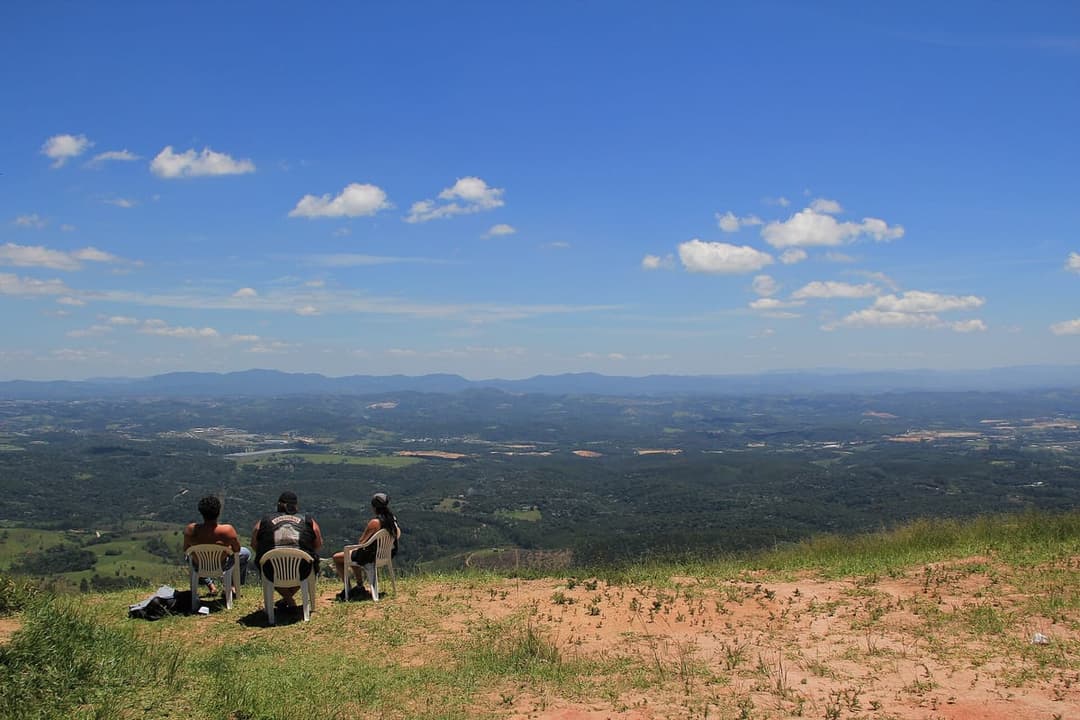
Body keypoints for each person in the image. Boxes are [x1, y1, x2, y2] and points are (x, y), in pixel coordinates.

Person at [251, 490, 323, 611]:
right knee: (311, 563)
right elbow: (318, 544)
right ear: (296, 506)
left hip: (272, 568)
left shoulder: (263, 521)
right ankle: (289, 599)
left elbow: (254, 544)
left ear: (279, 505)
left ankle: (288, 599)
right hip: (302, 567)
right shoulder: (309, 521)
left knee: (263, 563)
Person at [333, 492, 400, 598]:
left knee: (337, 557)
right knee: (352, 554)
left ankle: (350, 587)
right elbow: (397, 534)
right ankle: (359, 586)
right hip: (386, 554)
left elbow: (362, 542)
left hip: (370, 557)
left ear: (374, 507)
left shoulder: (375, 523)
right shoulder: (392, 520)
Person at [183, 495, 251, 596]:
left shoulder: (191, 529)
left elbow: (186, 549)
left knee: (191, 557)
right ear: (218, 511)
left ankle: (210, 586)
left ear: (201, 512)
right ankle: (232, 586)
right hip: (222, 565)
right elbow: (237, 550)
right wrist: (226, 549)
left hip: (199, 566)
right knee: (246, 553)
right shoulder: (227, 530)